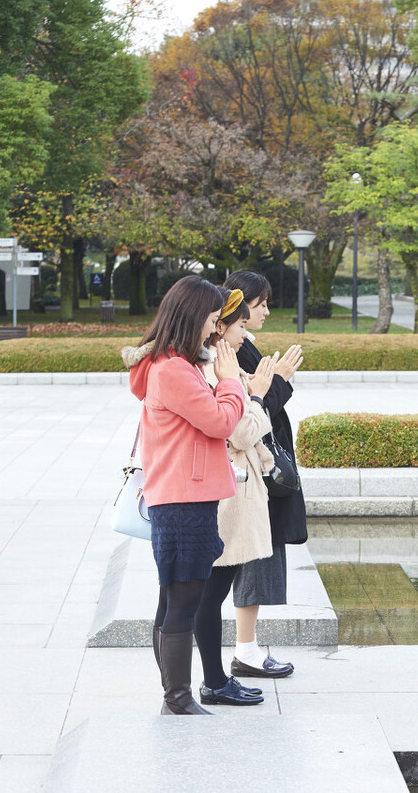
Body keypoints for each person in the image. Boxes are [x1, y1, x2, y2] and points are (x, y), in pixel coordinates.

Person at [122, 275, 247, 715]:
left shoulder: (175, 364)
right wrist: (231, 382)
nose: (215, 330)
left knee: (174, 596)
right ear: (192, 316)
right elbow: (219, 422)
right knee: (184, 598)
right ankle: (177, 698)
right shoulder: (173, 369)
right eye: (212, 320)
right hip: (182, 498)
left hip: (182, 494)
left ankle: (175, 696)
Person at [192, 288, 279, 706]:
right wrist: (260, 393)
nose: (245, 334)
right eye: (239, 325)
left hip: (234, 488)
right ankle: (213, 681)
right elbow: (239, 430)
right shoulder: (210, 370)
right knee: (212, 589)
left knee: (213, 587)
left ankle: (215, 679)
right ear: (219, 326)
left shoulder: (217, 365)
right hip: (228, 491)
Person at [222, 270, 304, 679]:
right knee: (250, 559)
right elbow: (251, 413)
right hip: (249, 475)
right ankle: (246, 650)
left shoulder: (242, 347)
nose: (267, 312)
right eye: (261, 304)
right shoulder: (230, 352)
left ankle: (246, 649)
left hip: (256, 471)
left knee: (255, 558)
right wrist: (282, 382)